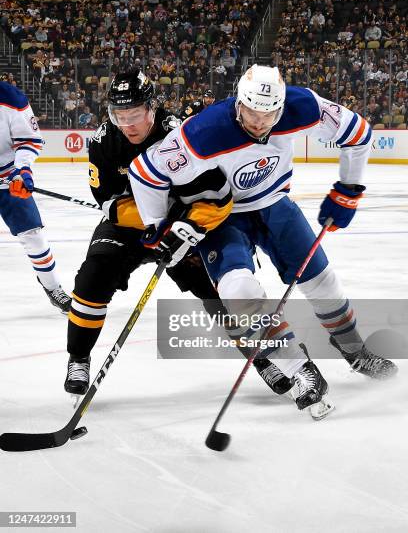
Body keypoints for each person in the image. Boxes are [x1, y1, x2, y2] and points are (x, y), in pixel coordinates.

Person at [129, 64, 397, 416]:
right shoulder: (205, 130)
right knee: (238, 291)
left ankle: (355, 352)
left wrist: (349, 189)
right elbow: (145, 172)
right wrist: (157, 226)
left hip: (274, 204)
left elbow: (358, 132)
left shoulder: (303, 106)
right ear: (239, 103)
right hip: (220, 215)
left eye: (269, 115)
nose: (259, 123)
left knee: (323, 282)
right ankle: (300, 371)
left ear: (281, 107)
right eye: (252, 113)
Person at [64, 71, 226, 398]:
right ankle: (78, 357)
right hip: (130, 225)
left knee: (218, 289)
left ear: (152, 107)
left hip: (176, 227)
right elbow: (108, 201)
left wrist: (179, 225)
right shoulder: (103, 140)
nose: (128, 124)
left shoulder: (178, 134)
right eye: (119, 116)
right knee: (92, 277)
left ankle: (263, 356)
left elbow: (204, 193)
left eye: (135, 115)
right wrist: (149, 220)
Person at [0, 80, 71, 313]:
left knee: (33, 235)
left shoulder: (11, 98)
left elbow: (28, 141)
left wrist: (22, 171)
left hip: (9, 178)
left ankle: (52, 287)